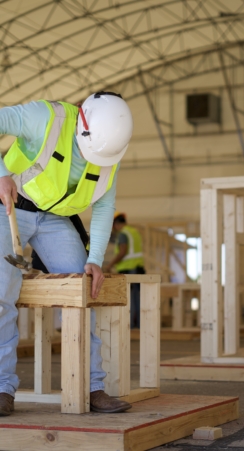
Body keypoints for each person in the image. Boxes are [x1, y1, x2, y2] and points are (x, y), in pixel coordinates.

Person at [0, 91, 133, 416]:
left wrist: (95, 260)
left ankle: (91, 386)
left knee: (82, 291)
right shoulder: (46, 118)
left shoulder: (110, 152)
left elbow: (104, 208)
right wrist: (1, 173)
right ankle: (2, 388)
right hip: (11, 205)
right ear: (81, 125)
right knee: (2, 293)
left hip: (56, 219)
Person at [106, 213, 145, 328]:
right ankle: (138, 324)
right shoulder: (134, 232)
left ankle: (131, 325)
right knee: (137, 297)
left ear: (117, 224)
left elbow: (123, 252)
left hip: (128, 269)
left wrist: (110, 265)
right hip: (138, 268)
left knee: (129, 298)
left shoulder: (123, 234)